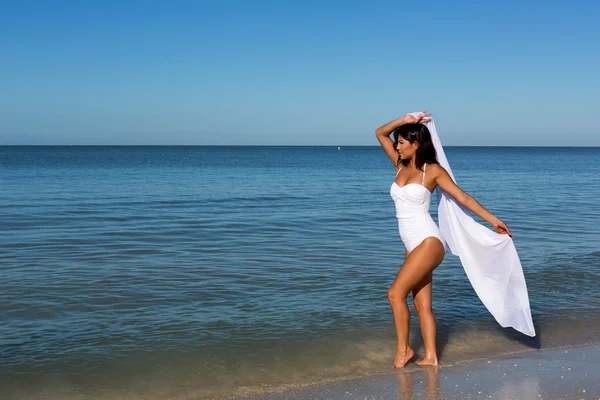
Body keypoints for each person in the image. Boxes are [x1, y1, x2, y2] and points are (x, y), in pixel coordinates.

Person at [375, 111, 512, 368]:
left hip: (429, 241)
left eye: (402, 142)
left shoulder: (434, 171)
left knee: (395, 294)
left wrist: (493, 220)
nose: (397, 146)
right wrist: (406, 119)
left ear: (416, 144)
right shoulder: (399, 164)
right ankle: (431, 356)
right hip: (411, 245)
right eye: (397, 143)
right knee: (420, 303)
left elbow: (464, 198)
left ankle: (403, 351)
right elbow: (379, 132)